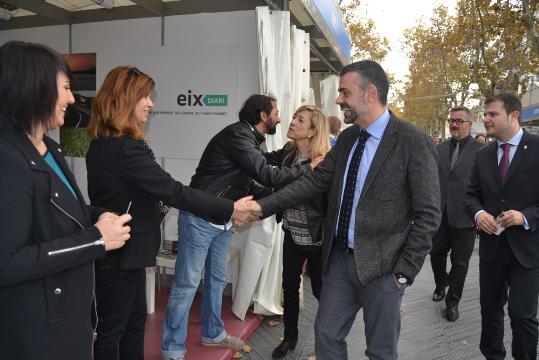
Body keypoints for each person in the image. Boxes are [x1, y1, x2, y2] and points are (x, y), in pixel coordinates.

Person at [243, 60, 441, 359]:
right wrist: (260, 206)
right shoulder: (348, 138)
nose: (338, 100)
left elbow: (428, 215)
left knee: (380, 351)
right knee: (326, 337)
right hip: (339, 264)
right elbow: (313, 182)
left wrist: (403, 273)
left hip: (384, 270)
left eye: (344, 92)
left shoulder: (413, 141)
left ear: (370, 93)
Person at [86, 66, 251, 360]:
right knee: (114, 331)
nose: (150, 103)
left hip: (126, 253)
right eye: (145, 96)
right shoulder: (122, 148)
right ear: (125, 99)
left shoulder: (111, 145)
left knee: (133, 324)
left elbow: (152, 191)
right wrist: (230, 207)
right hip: (120, 255)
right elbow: (173, 191)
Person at [0, 41, 132, 360]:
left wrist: (101, 216)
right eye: (66, 88)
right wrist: (96, 241)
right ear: (34, 87)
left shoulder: (49, 148)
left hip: (68, 318)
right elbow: (7, 263)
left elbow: (59, 213)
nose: (72, 99)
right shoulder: (7, 159)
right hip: (38, 333)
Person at [161, 94, 313, 360]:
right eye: (276, 112)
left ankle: (213, 334)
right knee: (187, 285)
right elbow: (267, 174)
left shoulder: (251, 140)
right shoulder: (238, 137)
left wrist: (293, 157)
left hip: (221, 220)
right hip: (199, 218)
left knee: (217, 281)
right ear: (263, 116)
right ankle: (172, 349)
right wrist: (307, 169)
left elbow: (254, 180)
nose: (280, 117)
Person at [465, 93, 539, 360]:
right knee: (490, 313)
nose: (486, 119)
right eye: (485, 114)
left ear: (514, 115)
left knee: (522, 316)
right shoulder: (483, 155)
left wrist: (525, 217)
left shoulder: (537, 147)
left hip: (527, 252)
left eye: (492, 114)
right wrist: (479, 213)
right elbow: (471, 195)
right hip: (492, 250)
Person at [263, 105, 330, 359]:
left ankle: (326, 343)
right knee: (288, 287)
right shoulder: (287, 154)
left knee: (321, 293)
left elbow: (318, 197)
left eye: (299, 120)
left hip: (317, 239)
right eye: (293, 118)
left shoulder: (325, 161)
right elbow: (260, 164)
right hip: (291, 233)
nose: (292, 122)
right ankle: (289, 338)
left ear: (312, 131)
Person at [429, 106, 484, 322]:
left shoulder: (482, 151)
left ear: (469, 124)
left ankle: (453, 302)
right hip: (440, 215)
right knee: (435, 254)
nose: (454, 124)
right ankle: (440, 284)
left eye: (459, 121)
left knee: (460, 263)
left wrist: (480, 214)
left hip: (466, 216)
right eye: (452, 120)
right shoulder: (439, 149)